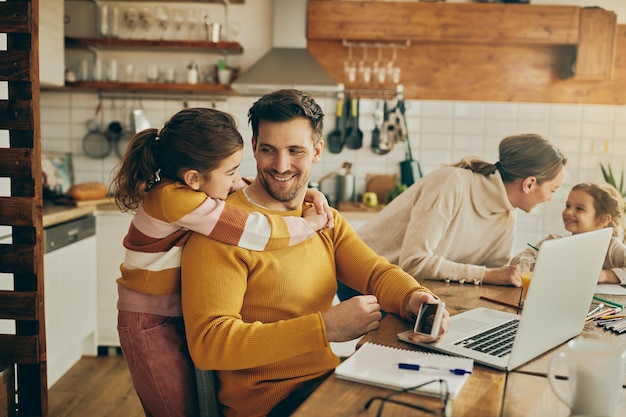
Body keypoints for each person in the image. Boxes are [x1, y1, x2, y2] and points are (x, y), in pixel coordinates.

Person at [180, 90, 451, 417]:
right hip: (273, 404)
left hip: (329, 381)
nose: (281, 166)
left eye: (295, 151)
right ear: (253, 147)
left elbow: (374, 273)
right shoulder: (223, 230)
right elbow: (209, 345)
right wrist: (323, 328)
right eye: (269, 150)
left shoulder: (321, 217)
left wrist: (414, 297)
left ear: (317, 151)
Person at [111, 107, 334, 417]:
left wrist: (303, 191)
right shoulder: (174, 199)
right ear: (194, 178)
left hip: (171, 314)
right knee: (172, 409)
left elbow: (243, 188)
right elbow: (251, 231)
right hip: (148, 323)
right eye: (229, 171)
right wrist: (306, 225)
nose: (234, 180)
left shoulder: (190, 189)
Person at [338, 133, 566, 305]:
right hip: (363, 276)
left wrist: (533, 256)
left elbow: (493, 272)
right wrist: (487, 274)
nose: (549, 198)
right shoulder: (453, 183)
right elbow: (414, 262)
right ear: (529, 184)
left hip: (411, 285)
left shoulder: (507, 212)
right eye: (553, 190)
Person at [512, 182, 626, 284]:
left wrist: (604, 275)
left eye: (579, 208)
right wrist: (546, 265)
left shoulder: (611, 248)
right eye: (568, 206)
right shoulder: (553, 242)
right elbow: (517, 262)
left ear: (603, 220)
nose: (568, 212)